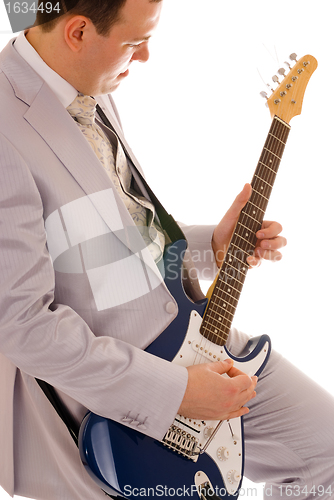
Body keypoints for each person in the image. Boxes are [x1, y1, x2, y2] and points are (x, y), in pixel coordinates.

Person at [0, 0, 333, 499]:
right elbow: (22, 324)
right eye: (135, 42)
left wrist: (209, 246)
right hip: (115, 403)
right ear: (78, 32)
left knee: (325, 456)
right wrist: (176, 392)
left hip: (198, 334)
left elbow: (107, 242)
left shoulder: (85, 83)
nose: (148, 56)